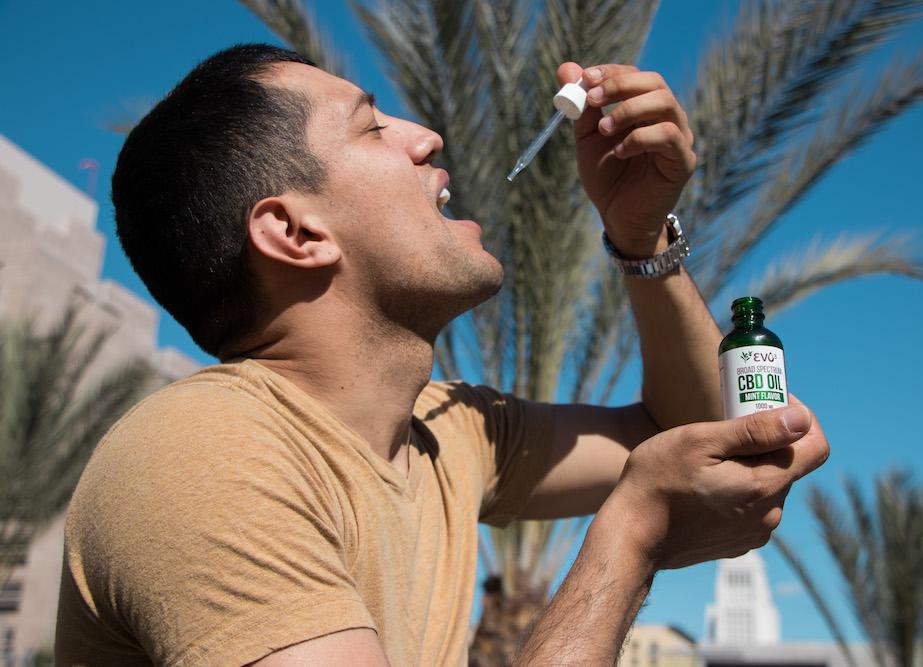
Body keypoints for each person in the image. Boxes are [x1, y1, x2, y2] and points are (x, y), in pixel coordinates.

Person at [54, 44, 829, 666]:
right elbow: (665, 472)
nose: (425, 137)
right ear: (295, 232)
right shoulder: (205, 459)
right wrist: (632, 536)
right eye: (371, 127)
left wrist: (641, 235)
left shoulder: (449, 433)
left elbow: (693, 431)